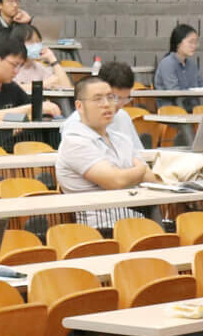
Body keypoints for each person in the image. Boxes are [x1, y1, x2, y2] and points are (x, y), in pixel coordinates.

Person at [56, 72, 150, 230]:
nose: (107, 104)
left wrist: (136, 173)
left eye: (110, 97)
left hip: (134, 220)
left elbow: (150, 178)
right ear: (79, 106)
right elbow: (116, 181)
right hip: (100, 230)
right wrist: (140, 169)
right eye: (98, 99)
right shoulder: (74, 141)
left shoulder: (121, 139)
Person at [154, 24, 203, 91]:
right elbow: (175, 92)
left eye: (195, 43)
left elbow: (202, 86)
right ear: (178, 43)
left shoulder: (192, 65)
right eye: (191, 42)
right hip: (173, 101)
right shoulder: (167, 63)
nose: (194, 46)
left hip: (191, 101)